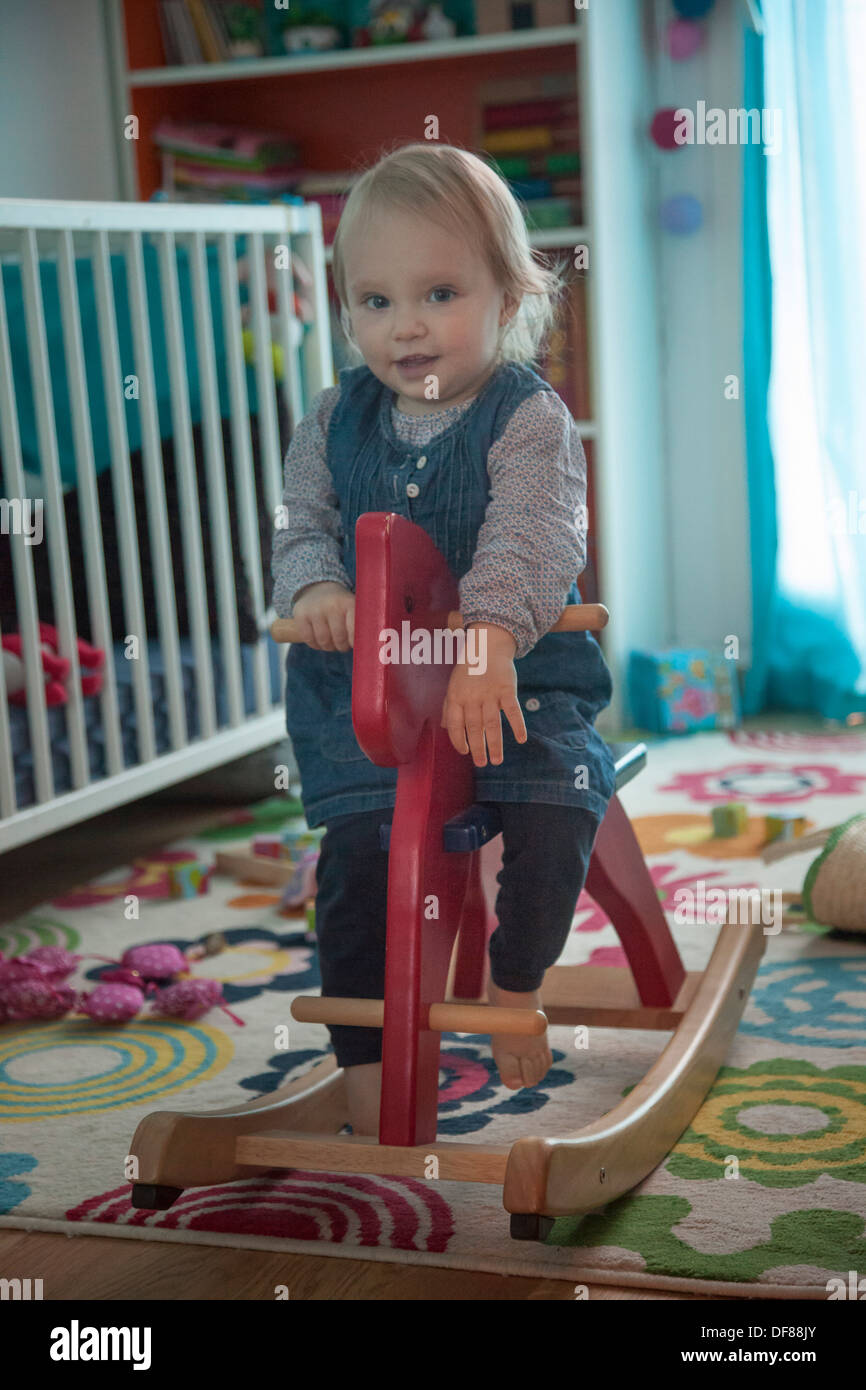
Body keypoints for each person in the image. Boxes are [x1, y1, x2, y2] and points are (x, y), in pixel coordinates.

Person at [271, 142, 616, 1135]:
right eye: (373, 301)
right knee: (360, 863)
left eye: (437, 292)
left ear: (509, 299)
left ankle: (512, 983)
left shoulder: (527, 418)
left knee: (559, 797)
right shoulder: (334, 416)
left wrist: (490, 638)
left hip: (512, 673)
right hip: (369, 691)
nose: (405, 325)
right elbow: (300, 521)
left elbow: (532, 534)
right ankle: (367, 1066)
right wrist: (319, 582)